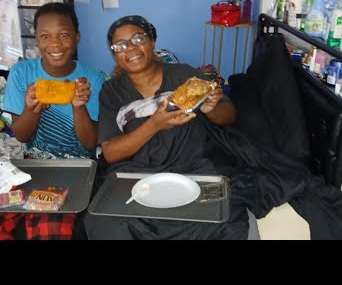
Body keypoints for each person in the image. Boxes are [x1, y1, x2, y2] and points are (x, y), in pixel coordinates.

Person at [83, 15, 262, 240]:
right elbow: (110, 152)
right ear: (115, 54)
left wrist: (212, 108)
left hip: (195, 169)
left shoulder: (184, 74)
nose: (130, 48)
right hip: (137, 176)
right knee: (102, 223)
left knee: (227, 221)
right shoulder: (111, 91)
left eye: (138, 39)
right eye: (120, 45)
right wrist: (153, 125)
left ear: (152, 42)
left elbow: (229, 116)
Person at [0, 2, 105, 240]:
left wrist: (78, 106)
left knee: (50, 225)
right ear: (36, 39)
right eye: (45, 36)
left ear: (77, 37)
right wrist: (32, 110)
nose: (55, 44)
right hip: (31, 164)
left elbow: (89, 144)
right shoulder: (22, 72)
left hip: (76, 167)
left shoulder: (93, 78)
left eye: (64, 35)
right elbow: (21, 135)